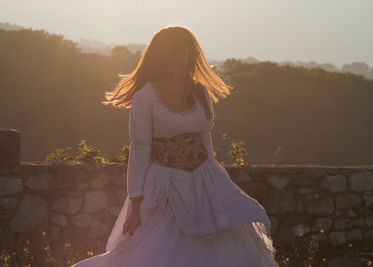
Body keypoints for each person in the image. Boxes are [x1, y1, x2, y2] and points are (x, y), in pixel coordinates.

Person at [71, 25, 276, 267]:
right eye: (184, 50)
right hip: (164, 188)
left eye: (191, 50)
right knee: (158, 252)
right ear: (168, 54)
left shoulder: (199, 92)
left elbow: (205, 140)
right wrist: (134, 204)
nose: (191, 56)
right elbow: (139, 150)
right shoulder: (145, 97)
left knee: (221, 249)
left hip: (203, 180)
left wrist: (218, 184)